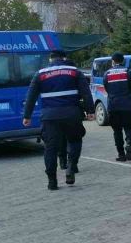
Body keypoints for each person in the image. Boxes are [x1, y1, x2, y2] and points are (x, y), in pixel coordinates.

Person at [23, 49, 95, 190]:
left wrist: (27, 116)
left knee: (50, 149)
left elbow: (30, 97)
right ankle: (70, 168)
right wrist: (90, 111)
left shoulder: (40, 74)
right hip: (72, 114)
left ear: (50, 59)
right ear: (64, 58)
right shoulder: (75, 71)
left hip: (49, 117)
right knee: (75, 140)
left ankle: (52, 181)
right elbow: (85, 92)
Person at [104, 52, 131, 162]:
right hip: (127, 106)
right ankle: (129, 143)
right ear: (123, 61)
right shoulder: (129, 72)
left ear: (112, 61)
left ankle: (121, 155)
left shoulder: (107, 73)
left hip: (113, 106)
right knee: (129, 128)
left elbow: (107, 88)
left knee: (117, 131)